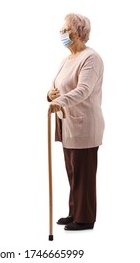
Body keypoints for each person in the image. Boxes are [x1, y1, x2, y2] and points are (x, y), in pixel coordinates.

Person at [47, 13, 104, 231]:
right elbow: (59, 86)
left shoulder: (91, 58)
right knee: (73, 171)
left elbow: (83, 90)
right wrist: (51, 95)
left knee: (84, 173)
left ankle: (85, 218)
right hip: (67, 122)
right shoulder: (67, 59)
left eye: (64, 30)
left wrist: (59, 100)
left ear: (78, 32)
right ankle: (74, 212)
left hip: (84, 124)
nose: (61, 34)